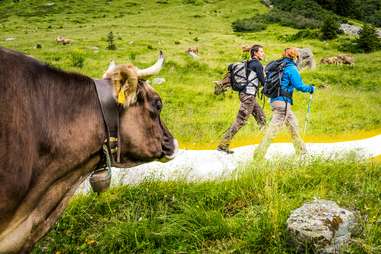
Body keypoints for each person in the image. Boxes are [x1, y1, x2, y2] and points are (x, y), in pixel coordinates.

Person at [253, 47, 315, 160]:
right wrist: (310, 88)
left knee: (294, 127)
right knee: (273, 131)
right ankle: (258, 155)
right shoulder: (291, 68)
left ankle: (302, 153)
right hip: (283, 103)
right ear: (295, 57)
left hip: (275, 100)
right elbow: (299, 86)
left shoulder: (279, 66)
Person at [217, 44, 267, 154]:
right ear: (255, 53)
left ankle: (266, 142)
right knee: (240, 121)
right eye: (261, 52)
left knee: (261, 118)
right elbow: (264, 82)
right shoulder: (257, 65)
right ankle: (223, 145)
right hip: (248, 96)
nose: (263, 53)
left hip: (247, 95)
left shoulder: (248, 63)